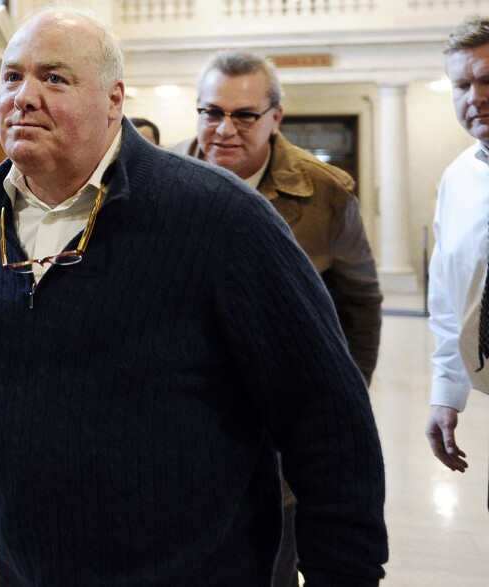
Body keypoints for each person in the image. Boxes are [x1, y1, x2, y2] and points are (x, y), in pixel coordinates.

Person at [0, 6, 388, 584]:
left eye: (54, 78)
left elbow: (326, 416)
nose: (24, 95)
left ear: (114, 99)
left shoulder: (220, 218)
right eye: (12, 77)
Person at [170, 50, 383, 586]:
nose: (224, 129)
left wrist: (342, 404)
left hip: (278, 435)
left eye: (244, 115)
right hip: (178, 426)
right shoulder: (156, 177)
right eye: (211, 111)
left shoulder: (325, 194)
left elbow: (360, 303)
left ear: (275, 118)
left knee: (270, 566)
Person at [425, 15, 489, 493]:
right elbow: (449, 298)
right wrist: (447, 393)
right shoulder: (458, 178)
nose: (475, 97)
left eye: (487, 80)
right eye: (461, 84)